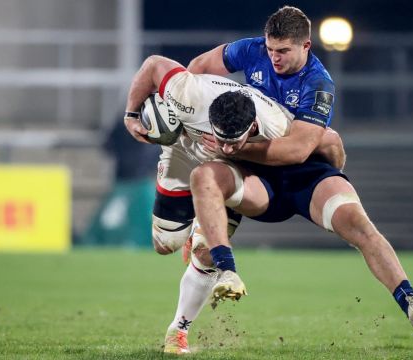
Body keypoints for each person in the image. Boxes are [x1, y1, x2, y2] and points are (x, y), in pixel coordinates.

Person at [170, 5, 413, 354]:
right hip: (258, 176)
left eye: (283, 51)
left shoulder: (318, 83)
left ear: (306, 46)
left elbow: (296, 151)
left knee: (358, 224)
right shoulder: (250, 50)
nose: (274, 58)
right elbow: (195, 71)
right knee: (204, 193)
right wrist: (207, 118)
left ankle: (411, 303)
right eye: (271, 50)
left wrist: (233, 148)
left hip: (302, 174)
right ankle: (178, 330)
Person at [123, 54, 344, 354]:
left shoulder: (277, 125)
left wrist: (335, 175)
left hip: (228, 170)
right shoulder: (188, 94)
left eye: (233, 140)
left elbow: (328, 140)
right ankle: (192, 231)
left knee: (206, 254)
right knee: (165, 243)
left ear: (252, 127)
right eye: (221, 138)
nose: (227, 145)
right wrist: (130, 113)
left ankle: (178, 330)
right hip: (182, 152)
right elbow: (152, 65)